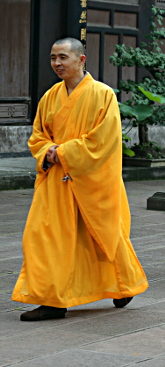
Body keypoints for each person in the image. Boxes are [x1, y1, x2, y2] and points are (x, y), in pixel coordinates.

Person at [12, 38, 148, 321]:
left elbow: (104, 140)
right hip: (56, 179)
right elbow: (38, 135)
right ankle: (52, 300)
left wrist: (62, 152)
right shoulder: (50, 96)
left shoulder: (103, 94)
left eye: (63, 57)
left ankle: (122, 284)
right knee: (42, 238)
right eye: (53, 58)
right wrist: (46, 151)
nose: (57, 64)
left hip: (93, 180)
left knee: (104, 237)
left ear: (81, 60)